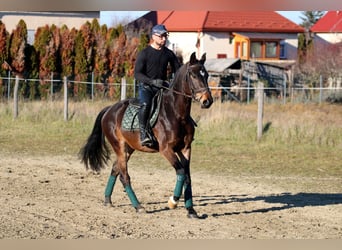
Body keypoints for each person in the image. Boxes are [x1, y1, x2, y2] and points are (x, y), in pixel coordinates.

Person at [134, 24, 181, 147]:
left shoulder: (169, 54)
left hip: (163, 88)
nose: (164, 39)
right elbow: (137, 74)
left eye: (166, 36)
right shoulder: (144, 53)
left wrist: (173, 83)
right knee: (146, 104)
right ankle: (144, 133)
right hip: (146, 88)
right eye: (161, 36)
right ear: (154, 36)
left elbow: (178, 70)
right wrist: (152, 81)